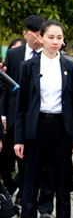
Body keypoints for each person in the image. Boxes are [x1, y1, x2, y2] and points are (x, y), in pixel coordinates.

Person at [14, 20, 73, 218]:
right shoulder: (28, 66)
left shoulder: (69, 66)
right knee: (30, 187)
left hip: (61, 130)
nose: (55, 41)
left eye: (59, 37)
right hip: (35, 129)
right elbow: (21, 105)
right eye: (51, 37)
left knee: (63, 189)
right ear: (40, 38)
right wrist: (18, 138)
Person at [0, 15, 46, 201]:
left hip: (40, 116)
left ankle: (35, 200)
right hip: (14, 116)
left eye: (40, 34)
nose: (38, 39)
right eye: (34, 35)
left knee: (39, 161)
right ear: (25, 34)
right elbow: (4, 86)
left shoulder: (49, 54)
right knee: (9, 159)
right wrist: (3, 115)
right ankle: (17, 191)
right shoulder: (14, 54)